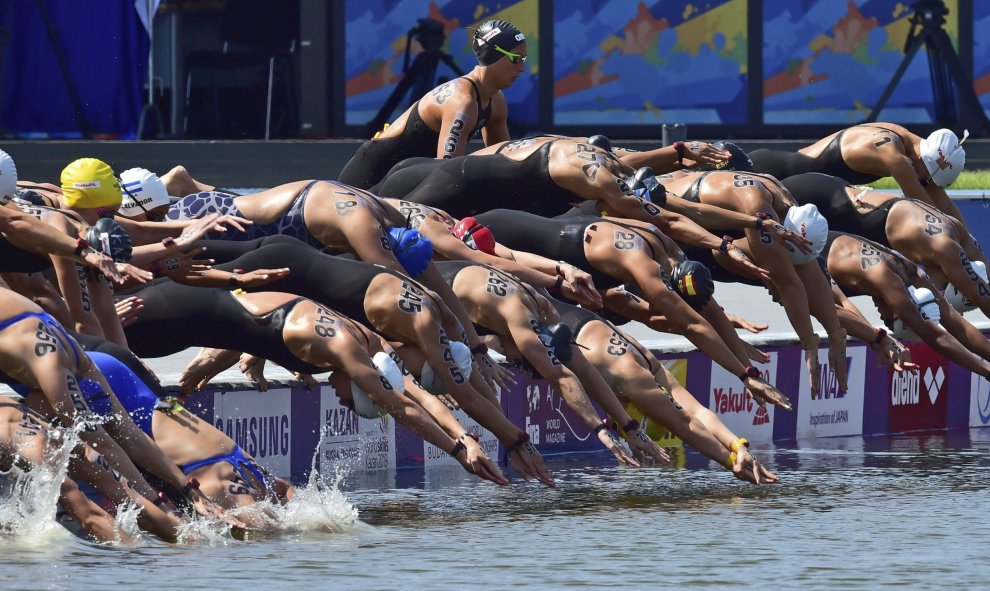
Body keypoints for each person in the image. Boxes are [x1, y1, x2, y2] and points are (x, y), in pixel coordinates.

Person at [117, 277, 542, 486]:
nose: (339, 400)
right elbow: (401, 405)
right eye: (350, 400)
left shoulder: (366, 341)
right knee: (82, 336)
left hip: (184, 308)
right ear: (359, 384)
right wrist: (455, 448)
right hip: (167, 319)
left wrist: (464, 437)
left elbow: (407, 391)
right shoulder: (344, 348)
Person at [472, 209, 792, 407]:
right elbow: (687, 323)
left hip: (564, 253)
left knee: (612, 306)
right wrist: (746, 375)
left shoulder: (669, 249)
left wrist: (731, 339)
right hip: (505, 239)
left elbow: (696, 314)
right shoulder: (644, 268)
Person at [373, 136, 809, 271]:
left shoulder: (603, 162)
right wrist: (726, 245)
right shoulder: (611, 186)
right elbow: (676, 220)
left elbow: (674, 206)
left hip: (449, 174)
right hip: (455, 184)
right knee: (387, 231)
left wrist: (678, 151)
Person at [0, 286, 221, 528]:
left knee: (117, 487)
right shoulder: (52, 359)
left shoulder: (50, 368)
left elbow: (102, 441)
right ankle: (181, 517)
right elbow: (131, 436)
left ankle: (171, 520)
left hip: (68, 357)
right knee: (115, 453)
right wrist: (188, 489)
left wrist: (162, 500)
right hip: (94, 355)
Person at [437, 259, 694, 466]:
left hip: (456, 277)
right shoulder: (524, 321)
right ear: (530, 351)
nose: (507, 356)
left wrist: (629, 426)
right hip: (436, 284)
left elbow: (582, 370)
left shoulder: (545, 312)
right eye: (516, 360)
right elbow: (560, 376)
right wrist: (601, 430)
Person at [654, 169, 849, 396]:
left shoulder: (792, 210)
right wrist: (809, 346)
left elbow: (810, 274)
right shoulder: (759, 208)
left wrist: (836, 337)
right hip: (663, 211)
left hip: (693, 201)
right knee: (701, 281)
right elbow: (788, 284)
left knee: (778, 271)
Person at [548, 300, 778, 484]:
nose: (612, 419)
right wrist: (731, 463)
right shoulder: (631, 377)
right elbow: (684, 423)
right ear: (637, 405)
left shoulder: (646, 363)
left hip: (565, 313)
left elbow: (697, 411)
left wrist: (738, 446)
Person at [338, 19, 525, 189]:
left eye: (523, 60)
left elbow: (503, 165)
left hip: (401, 178)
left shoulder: (497, 101)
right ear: (492, 55)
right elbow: (448, 176)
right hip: (370, 175)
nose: (522, 68)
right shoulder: (462, 101)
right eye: (515, 58)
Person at [782, 172, 990, 319]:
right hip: (823, 199)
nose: (939, 290)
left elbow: (977, 284)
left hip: (833, 194)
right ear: (951, 277)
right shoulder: (944, 249)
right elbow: (977, 300)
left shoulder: (958, 234)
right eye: (944, 288)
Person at [0, 395, 178, 542]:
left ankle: (136, 568)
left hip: (28, 442)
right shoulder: (6, 401)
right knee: (129, 497)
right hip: (52, 434)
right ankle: (186, 540)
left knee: (88, 515)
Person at [820, 231, 990, 378]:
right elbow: (933, 335)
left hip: (826, 245)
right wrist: (986, 371)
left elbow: (956, 323)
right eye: (889, 321)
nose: (880, 317)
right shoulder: (887, 280)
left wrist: (875, 340)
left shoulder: (912, 272)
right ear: (897, 308)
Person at [749, 123, 967, 221]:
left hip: (791, 184)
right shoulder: (893, 153)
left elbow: (944, 204)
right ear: (924, 160)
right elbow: (926, 212)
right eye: (927, 177)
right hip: (769, 173)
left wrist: (978, 256)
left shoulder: (910, 141)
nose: (925, 182)